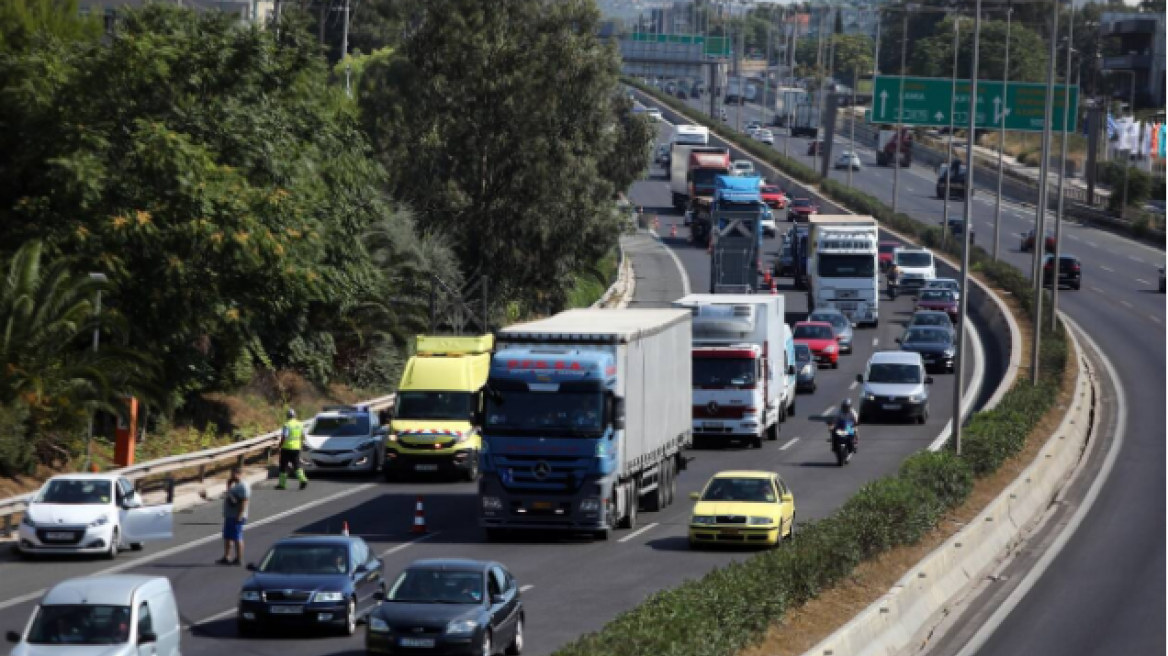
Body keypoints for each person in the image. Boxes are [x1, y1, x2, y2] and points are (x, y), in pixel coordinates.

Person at [217, 467, 249, 565]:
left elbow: (244, 501)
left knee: (237, 537)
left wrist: (240, 515)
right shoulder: (236, 485)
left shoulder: (243, 486)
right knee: (228, 536)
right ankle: (226, 556)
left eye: (233, 474)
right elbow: (230, 495)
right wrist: (229, 484)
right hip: (230, 515)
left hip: (236, 516)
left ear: (239, 474)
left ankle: (239, 558)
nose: (231, 476)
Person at [277, 409, 309, 490]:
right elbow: (303, 436)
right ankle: (303, 479)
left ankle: (282, 484)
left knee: (283, 466)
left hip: (286, 448)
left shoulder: (287, 425)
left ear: (287, 416)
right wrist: (301, 445)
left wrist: (280, 445)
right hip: (296, 448)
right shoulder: (300, 424)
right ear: (295, 415)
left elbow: (284, 436)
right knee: (296, 465)